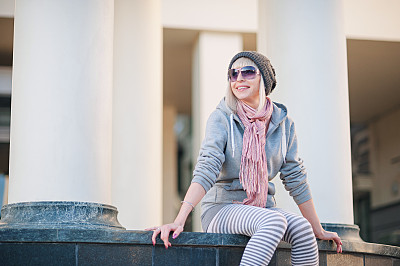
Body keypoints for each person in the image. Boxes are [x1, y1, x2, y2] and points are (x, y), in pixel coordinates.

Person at [146, 51, 342, 265]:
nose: (239, 78)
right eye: (233, 74)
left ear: (264, 79)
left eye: (248, 72)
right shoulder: (221, 118)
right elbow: (206, 168)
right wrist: (180, 220)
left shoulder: (284, 125)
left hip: (262, 209)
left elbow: (295, 177)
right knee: (274, 221)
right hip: (221, 208)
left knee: (303, 231)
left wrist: (318, 228)